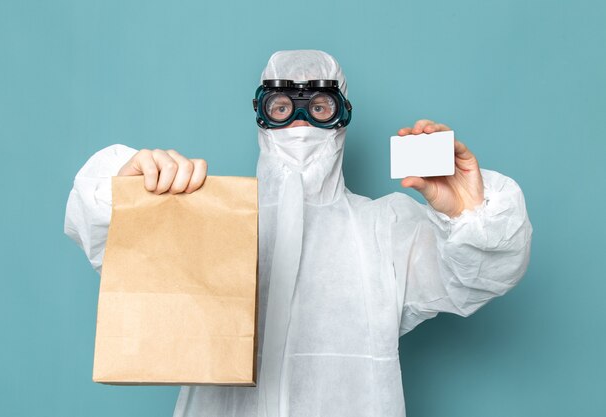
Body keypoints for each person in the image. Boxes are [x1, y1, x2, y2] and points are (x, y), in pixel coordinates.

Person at [65, 50, 532, 417]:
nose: (303, 122)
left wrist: (468, 211)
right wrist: (132, 193)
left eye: (321, 106)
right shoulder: (208, 215)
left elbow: (478, 275)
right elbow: (109, 239)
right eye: (283, 106)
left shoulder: (385, 230)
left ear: (343, 117)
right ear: (261, 117)